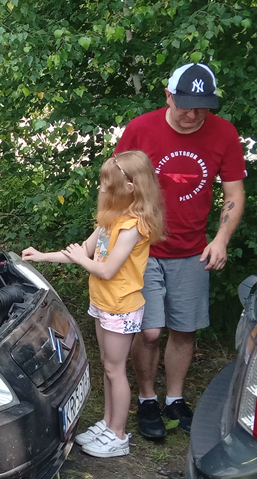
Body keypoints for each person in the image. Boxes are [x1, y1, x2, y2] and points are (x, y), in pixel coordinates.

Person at [114, 63, 246, 439]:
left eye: (202, 107)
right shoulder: (141, 129)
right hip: (143, 247)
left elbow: (234, 193)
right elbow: (115, 184)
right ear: (168, 96)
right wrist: (114, 238)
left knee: (185, 331)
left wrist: (220, 239)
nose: (193, 114)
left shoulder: (224, 133)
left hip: (192, 250)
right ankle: (146, 399)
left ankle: (174, 399)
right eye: (185, 105)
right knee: (150, 331)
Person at [22, 151, 166, 458]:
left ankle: (118, 435)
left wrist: (80, 258)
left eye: (107, 183)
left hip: (120, 307)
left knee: (116, 370)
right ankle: (107, 423)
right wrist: (42, 256)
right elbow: (85, 250)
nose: (101, 188)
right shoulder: (110, 220)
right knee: (108, 366)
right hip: (103, 303)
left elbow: (106, 269)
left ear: (130, 187)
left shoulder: (132, 227)